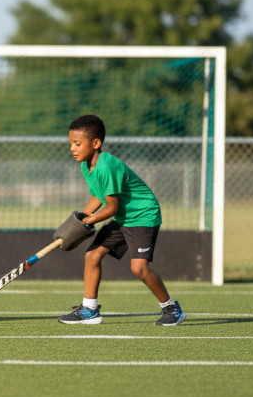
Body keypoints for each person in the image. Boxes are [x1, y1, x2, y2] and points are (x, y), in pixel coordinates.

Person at [59, 113, 186, 327]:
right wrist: (78, 221)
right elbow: (98, 197)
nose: (72, 148)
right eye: (71, 143)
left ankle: (171, 308)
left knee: (139, 269)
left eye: (77, 143)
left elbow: (111, 207)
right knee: (92, 256)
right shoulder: (86, 165)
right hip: (123, 217)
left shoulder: (107, 166)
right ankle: (89, 310)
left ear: (96, 143)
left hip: (142, 215)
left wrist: (89, 221)